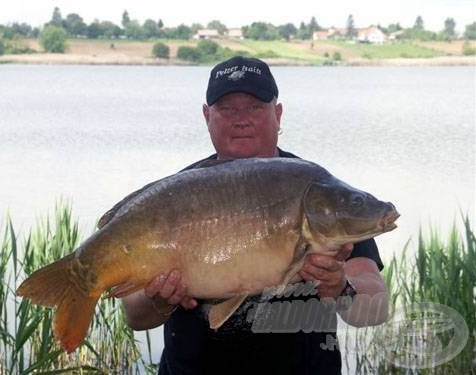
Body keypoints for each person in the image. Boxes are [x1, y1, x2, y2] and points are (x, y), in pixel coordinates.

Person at [122, 56, 389, 374]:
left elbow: (376, 307)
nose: (241, 119)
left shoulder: (316, 191)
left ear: (278, 114)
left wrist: (339, 287)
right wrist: (160, 300)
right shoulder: (176, 196)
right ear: (207, 116)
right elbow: (136, 317)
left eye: (255, 107)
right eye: (227, 109)